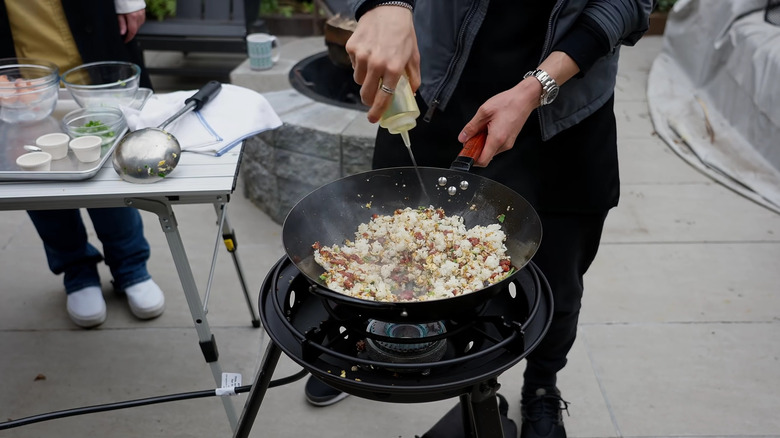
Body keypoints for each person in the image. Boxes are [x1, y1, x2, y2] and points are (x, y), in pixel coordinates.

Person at [303, 0, 653, 437]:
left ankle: (542, 385)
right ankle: (364, 345)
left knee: (559, 283)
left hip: (563, 110)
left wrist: (537, 86)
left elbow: (629, 4)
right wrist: (381, 6)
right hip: (433, 93)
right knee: (390, 247)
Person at [0, 0, 166, 328]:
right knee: (35, 166)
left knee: (106, 164)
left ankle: (131, 266)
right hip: (21, 63)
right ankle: (76, 270)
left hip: (88, 33)